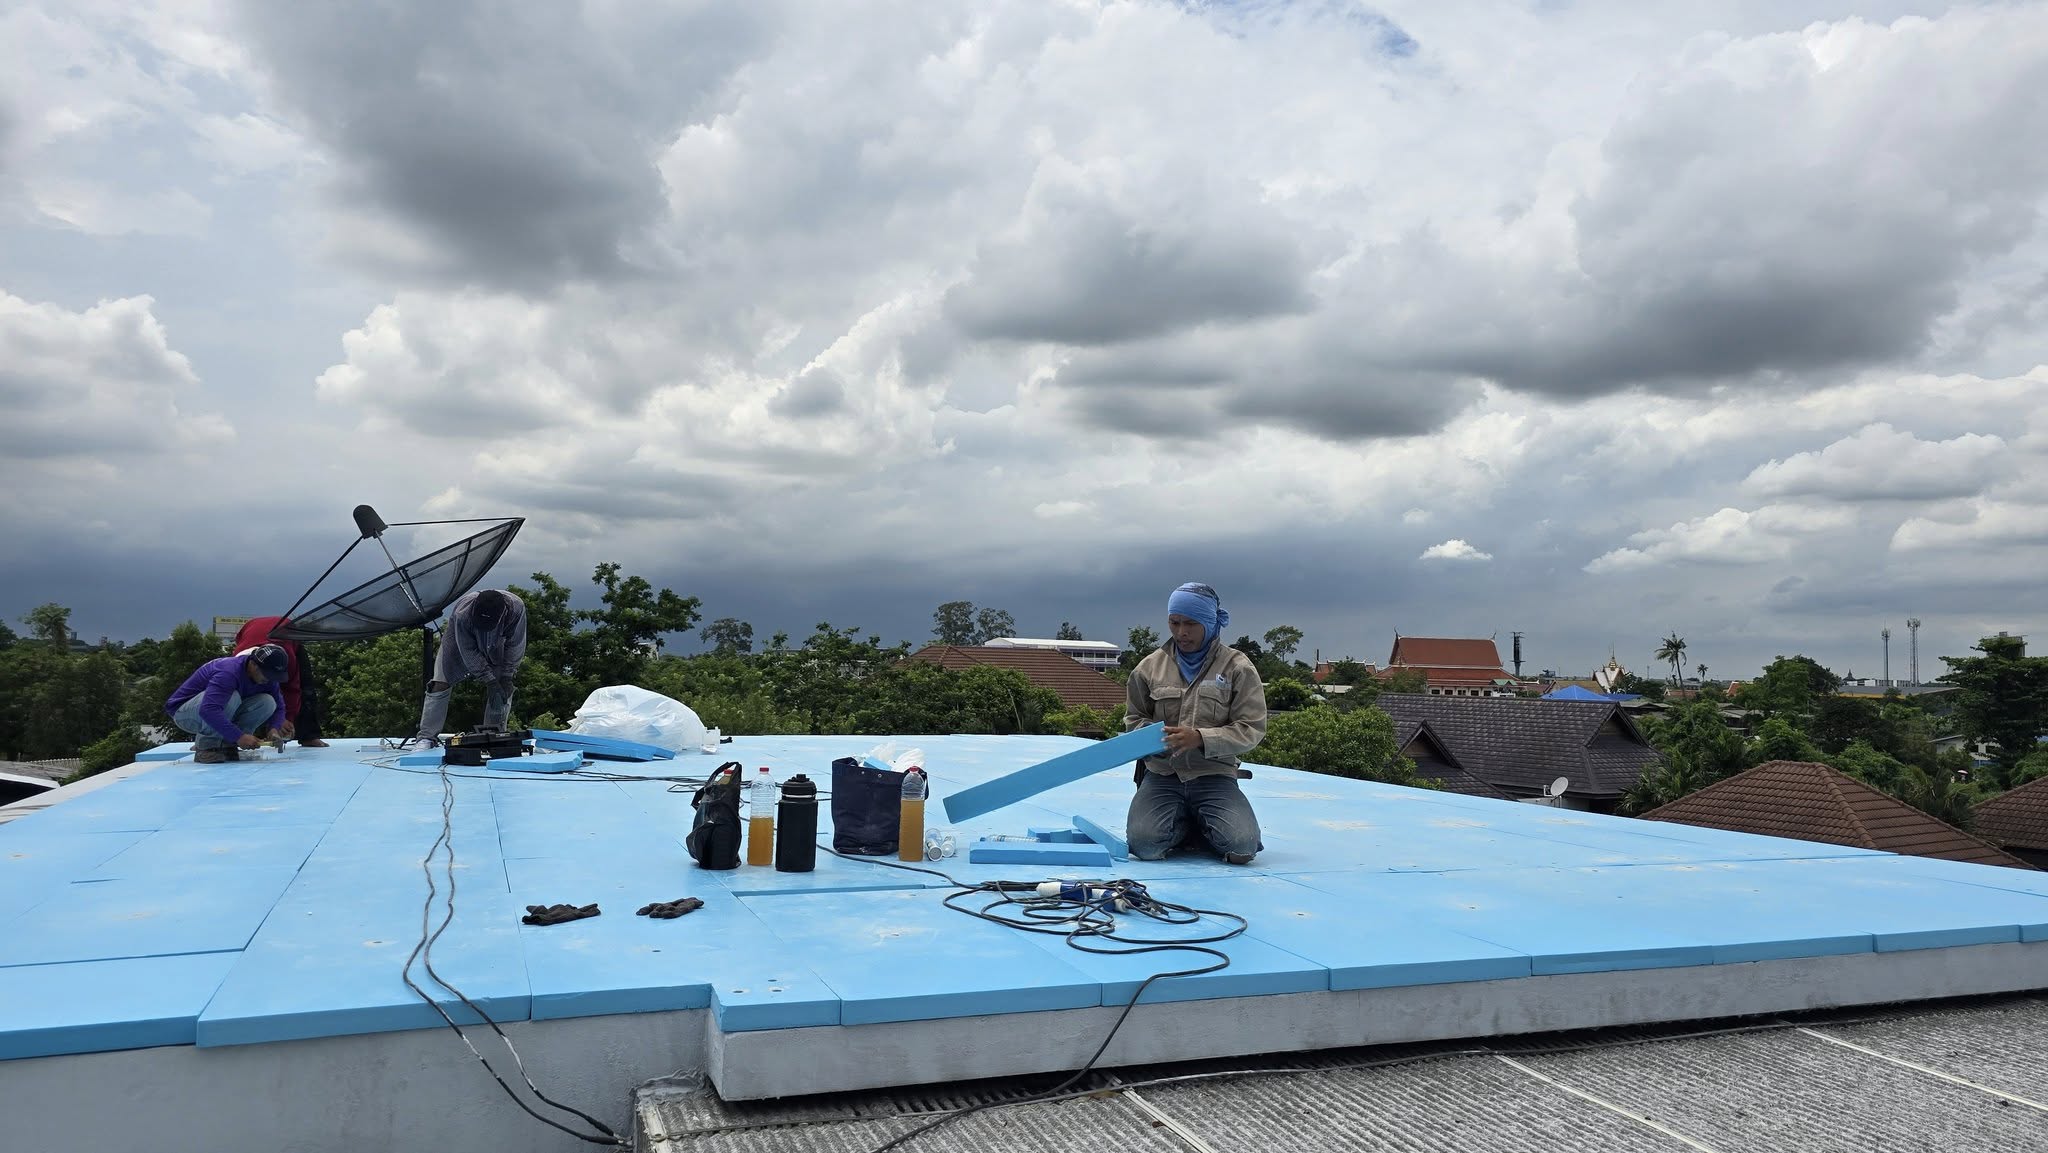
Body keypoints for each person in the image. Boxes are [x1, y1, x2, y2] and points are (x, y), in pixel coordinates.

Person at [1124, 582, 1268, 863]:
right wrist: (1152, 739)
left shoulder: (1237, 668)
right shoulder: (1149, 668)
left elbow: (1252, 728)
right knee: (1144, 845)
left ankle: (1200, 822)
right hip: (1162, 775)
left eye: (1190, 623)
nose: (1181, 632)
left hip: (1214, 775)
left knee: (1241, 847)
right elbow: (1133, 718)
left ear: (1210, 623)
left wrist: (1201, 738)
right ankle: (1187, 825)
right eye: (1174, 622)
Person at [407, 588, 527, 747]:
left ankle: (493, 736)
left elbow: (515, 645)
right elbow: (468, 651)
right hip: (459, 642)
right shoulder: (463, 613)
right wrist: (489, 681)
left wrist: (506, 677)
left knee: (502, 689)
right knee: (440, 682)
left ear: (502, 614)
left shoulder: (516, 609)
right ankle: (426, 738)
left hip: (499, 642)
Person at [166, 644, 293, 764]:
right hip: (185, 714)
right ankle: (206, 747)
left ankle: (228, 746)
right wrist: (239, 736)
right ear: (253, 664)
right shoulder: (228, 672)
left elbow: (279, 707)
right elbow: (208, 710)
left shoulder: (268, 678)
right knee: (232, 697)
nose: (270, 679)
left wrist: (274, 729)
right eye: (267, 674)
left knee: (267, 702)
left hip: (213, 710)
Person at [231, 616, 329, 748]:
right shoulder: (236, 664)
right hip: (250, 632)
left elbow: (292, 688)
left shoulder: (288, 660)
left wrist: (287, 718)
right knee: (240, 695)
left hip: (288, 636)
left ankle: (309, 736)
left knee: (307, 689)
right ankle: (214, 739)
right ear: (253, 665)